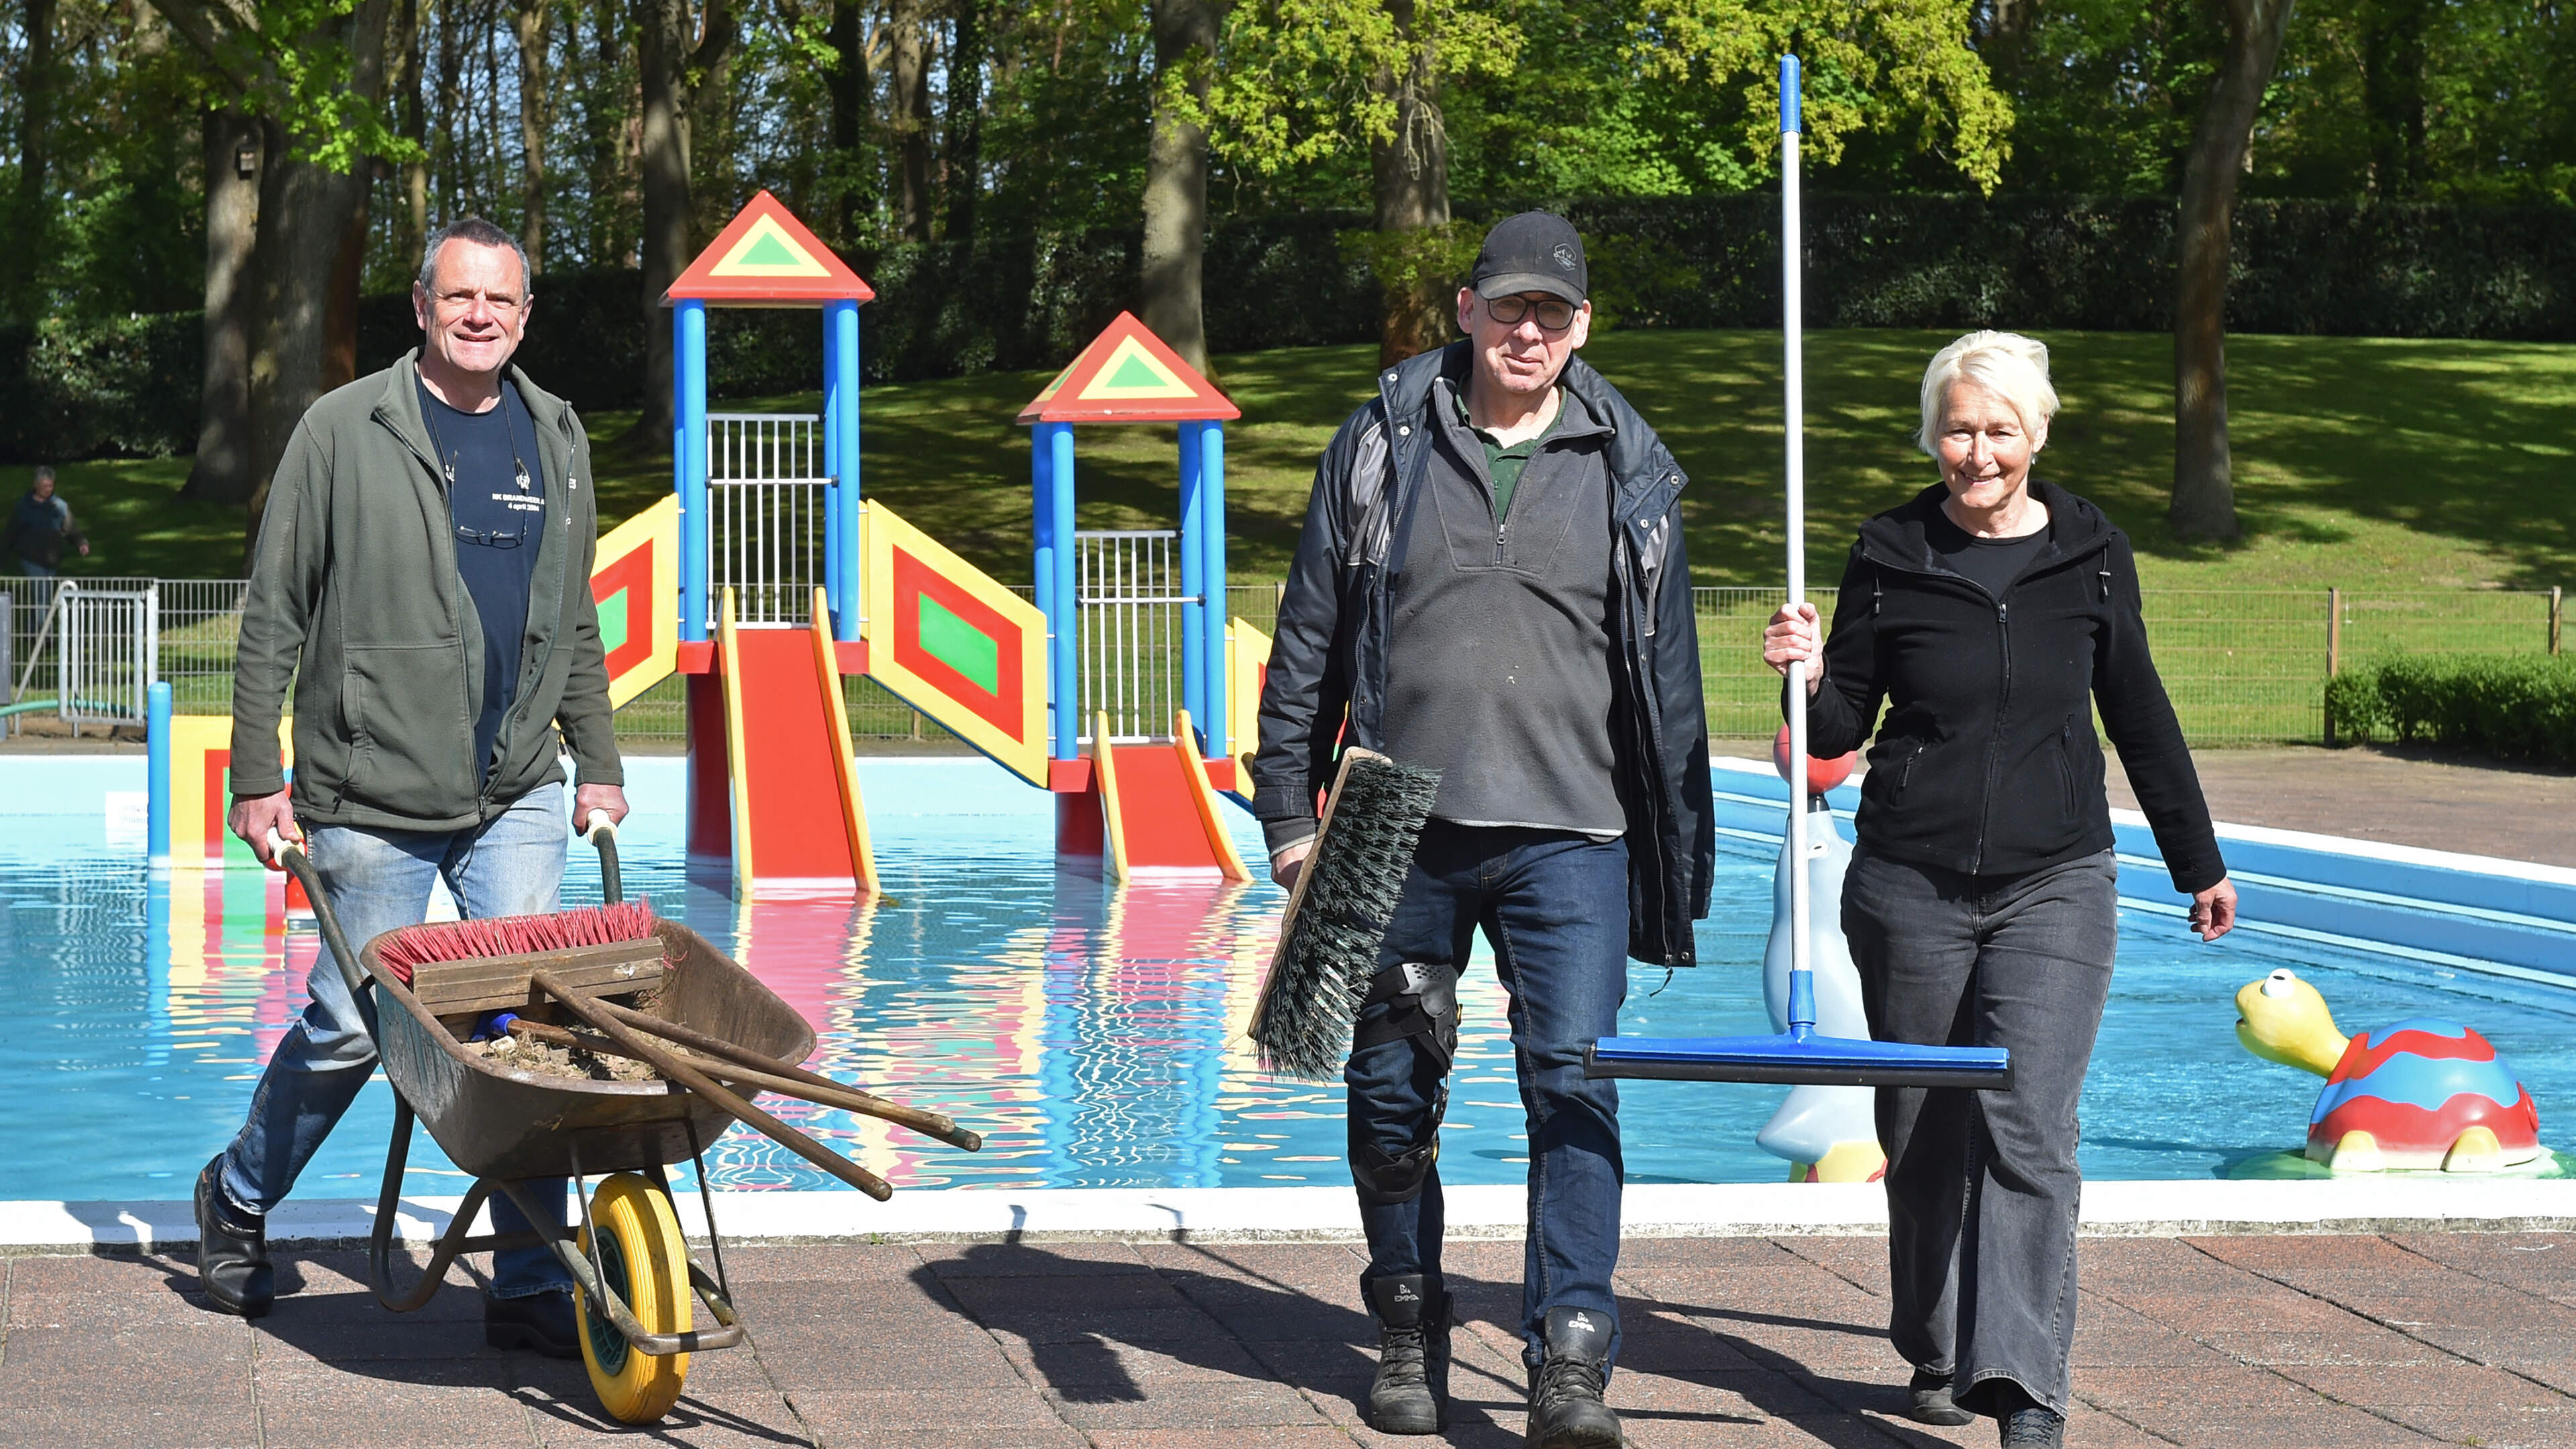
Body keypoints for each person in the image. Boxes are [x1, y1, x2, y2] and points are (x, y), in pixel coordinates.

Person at [1252, 211, 1713, 1448]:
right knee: (1391, 1087)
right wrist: (1292, 818)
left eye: (1552, 314)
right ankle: (1407, 1326)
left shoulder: (1632, 468)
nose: (1527, 329)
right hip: (1395, 828)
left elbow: (1666, 683)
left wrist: (1675, 857)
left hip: (1576, 836)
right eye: (1508, 306)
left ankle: (1571, 1359)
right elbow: (1307, 638)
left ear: (1582, 329)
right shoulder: (1381, 445)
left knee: (1576, 1088)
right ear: (1465, 308)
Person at [1762, 331, 2237, 1447]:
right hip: (1908, 883)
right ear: (1933, 435)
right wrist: (1809, 675)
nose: (1977, 452)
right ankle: (1934, 1343)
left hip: (2056, 878)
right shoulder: (1889, 549)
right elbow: (1837, 735)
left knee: (2030, 1127)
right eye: (1959, 429)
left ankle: (2023, 1386)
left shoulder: (2093, 552)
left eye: (1999, 429)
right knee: (1922, 1131)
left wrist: (2197, 858)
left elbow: (2139, 709)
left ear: (2038, 434)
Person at [197, 216, 628, 1360]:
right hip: (370, 789)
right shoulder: (343, 429)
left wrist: (601, 763)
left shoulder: (556, 435)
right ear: (422, 309)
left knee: (530, 1031)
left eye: (501, 300)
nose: (479, 315)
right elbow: (275, 606)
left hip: (518, 790)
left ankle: (531, 1280)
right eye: (458, 297)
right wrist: (255, 775)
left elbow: (572, 618)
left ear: (525, 316)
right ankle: (238, 1199)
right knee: (351, 1027)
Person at [4, 466, 89, 576]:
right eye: (45, 486)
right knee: (42, 591)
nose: (48, 489)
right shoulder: (23, 506)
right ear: (36, 485)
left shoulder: (60, 506)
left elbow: (71, 529)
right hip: (31, 559)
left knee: (46, 591)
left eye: (51, 486)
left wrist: (81, 544)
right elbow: (10, 534)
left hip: (52, 560)